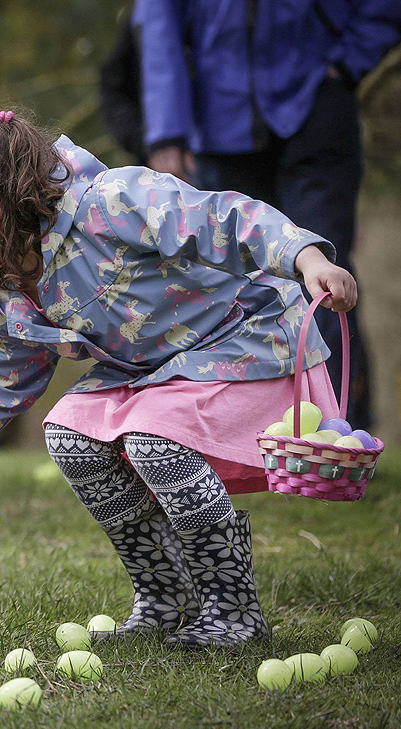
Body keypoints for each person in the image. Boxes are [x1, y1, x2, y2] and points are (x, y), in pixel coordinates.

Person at [0, 109, 358, 649]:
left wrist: (304, 256)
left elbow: (222, 218)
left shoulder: (114, 203)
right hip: (152, 372)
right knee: (72, 435)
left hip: (241, 341)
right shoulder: (3, 294)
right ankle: (166, 595)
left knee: (157, 438)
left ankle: (232, 610)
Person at [131, 0, 401, 433]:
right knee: (226, 290)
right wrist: (168, 130)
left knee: (324, 276)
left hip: (316, 108)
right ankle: (236, 434)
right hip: (218, 123)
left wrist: (349, 63)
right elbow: (158, 22)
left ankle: (337, 438)